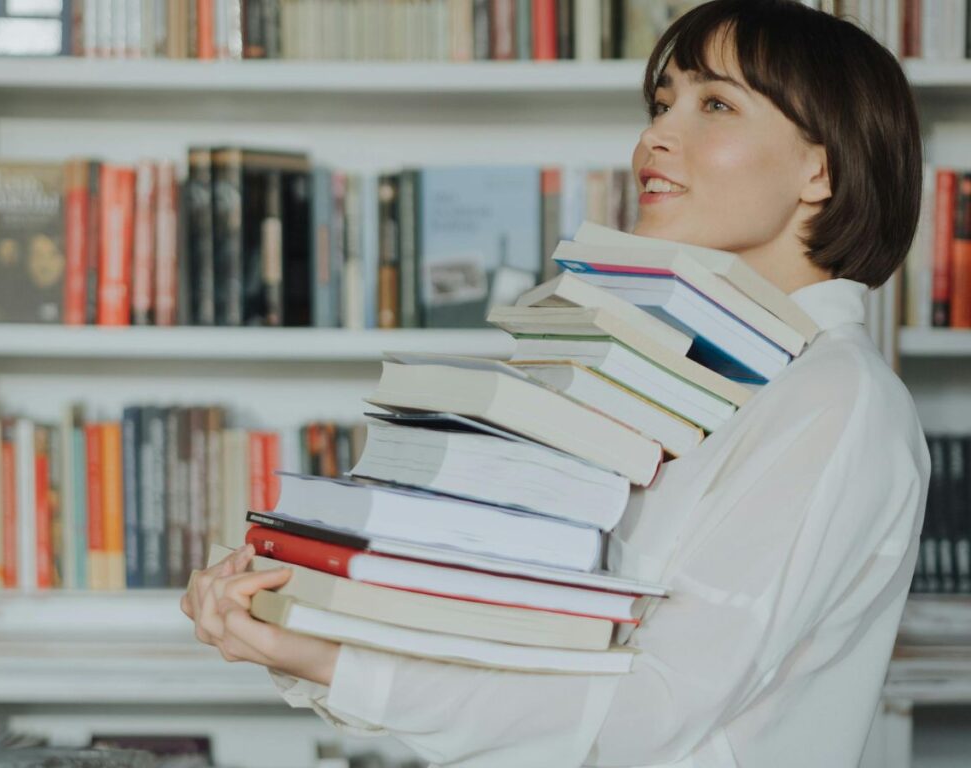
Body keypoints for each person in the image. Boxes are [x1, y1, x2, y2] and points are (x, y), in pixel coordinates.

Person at [180, 2, 930, 765]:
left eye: (715, 104)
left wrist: (335, 666)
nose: (657, 135)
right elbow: (545, 648)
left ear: (822, 169)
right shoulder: (683, 375)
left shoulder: (837, 399)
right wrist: (300, 624)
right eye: (662, 102)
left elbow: (649, 711)